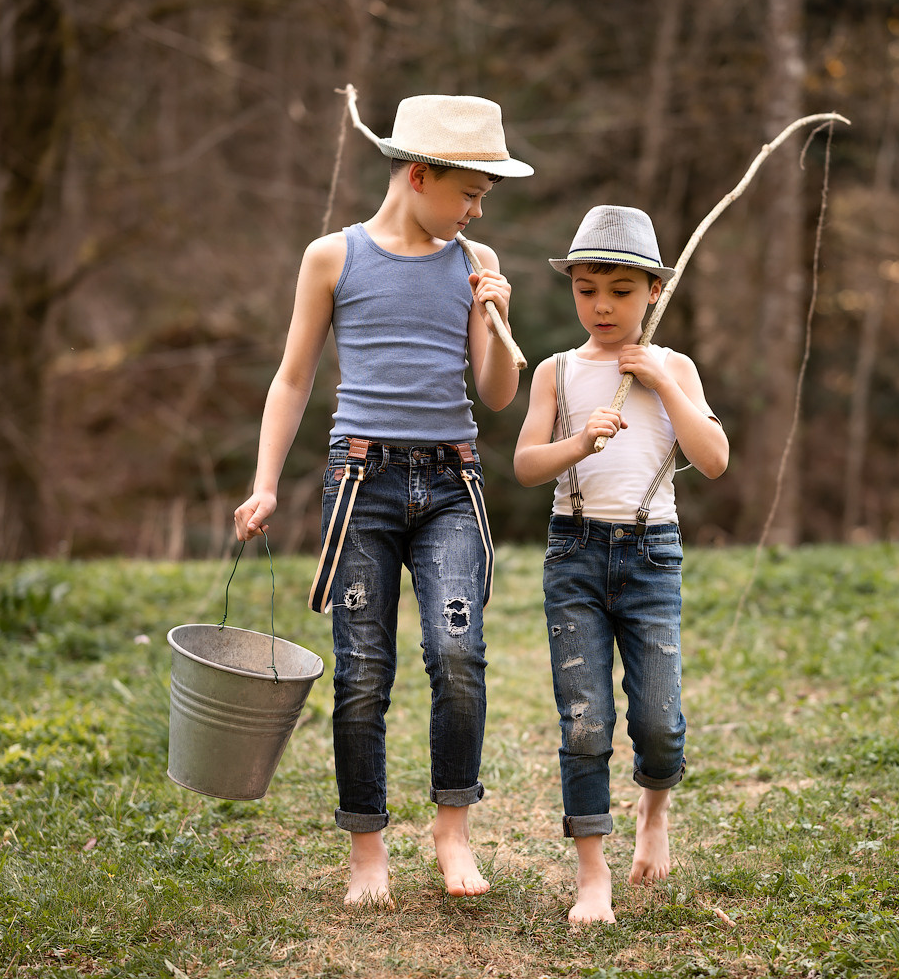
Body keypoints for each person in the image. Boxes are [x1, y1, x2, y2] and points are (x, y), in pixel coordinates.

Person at [232, 94, 532, 904]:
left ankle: (451, 828)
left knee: (458, 653)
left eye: (482, 201)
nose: (475, 209)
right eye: (468, 192)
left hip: (450, 484)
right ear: (419, 174)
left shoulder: (474, 261)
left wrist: (496, 318)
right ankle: (367, 847)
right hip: (359, 483)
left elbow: (498, 395)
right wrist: (265, 485)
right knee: (363, 670)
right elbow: (293, 377)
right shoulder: (333, 257)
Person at [513, 206, 729, 923]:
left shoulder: (675, 368)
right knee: (584, 720)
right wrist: (581, 443)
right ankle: (591, 875)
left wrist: (660, 382)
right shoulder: (557, 371)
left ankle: (654, 810)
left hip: (650, 556)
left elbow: (716, 460)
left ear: (653, 294)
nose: (601, 305)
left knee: (661, 722)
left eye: (621, 291)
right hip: (574, 553)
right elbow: (524, 465)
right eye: (586, 289)